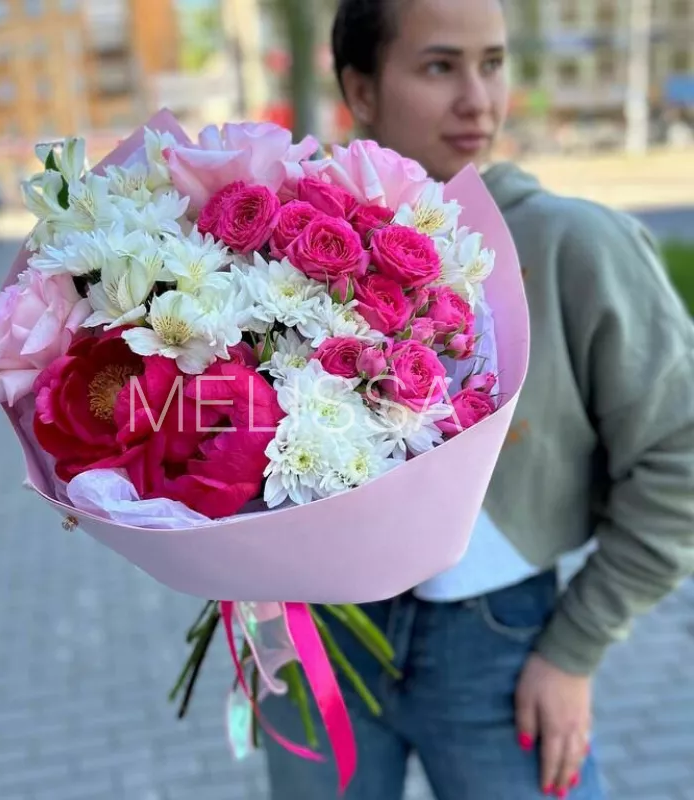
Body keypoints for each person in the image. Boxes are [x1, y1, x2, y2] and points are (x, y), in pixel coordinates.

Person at [261, 1, 694, 798]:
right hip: (320, 631)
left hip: (496, 646)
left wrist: (575, 650)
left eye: (492, 63)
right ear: (360, 88)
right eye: (440, 66)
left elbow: (682, 457)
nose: (478, 99)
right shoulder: (279, 247)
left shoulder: (574, 245)